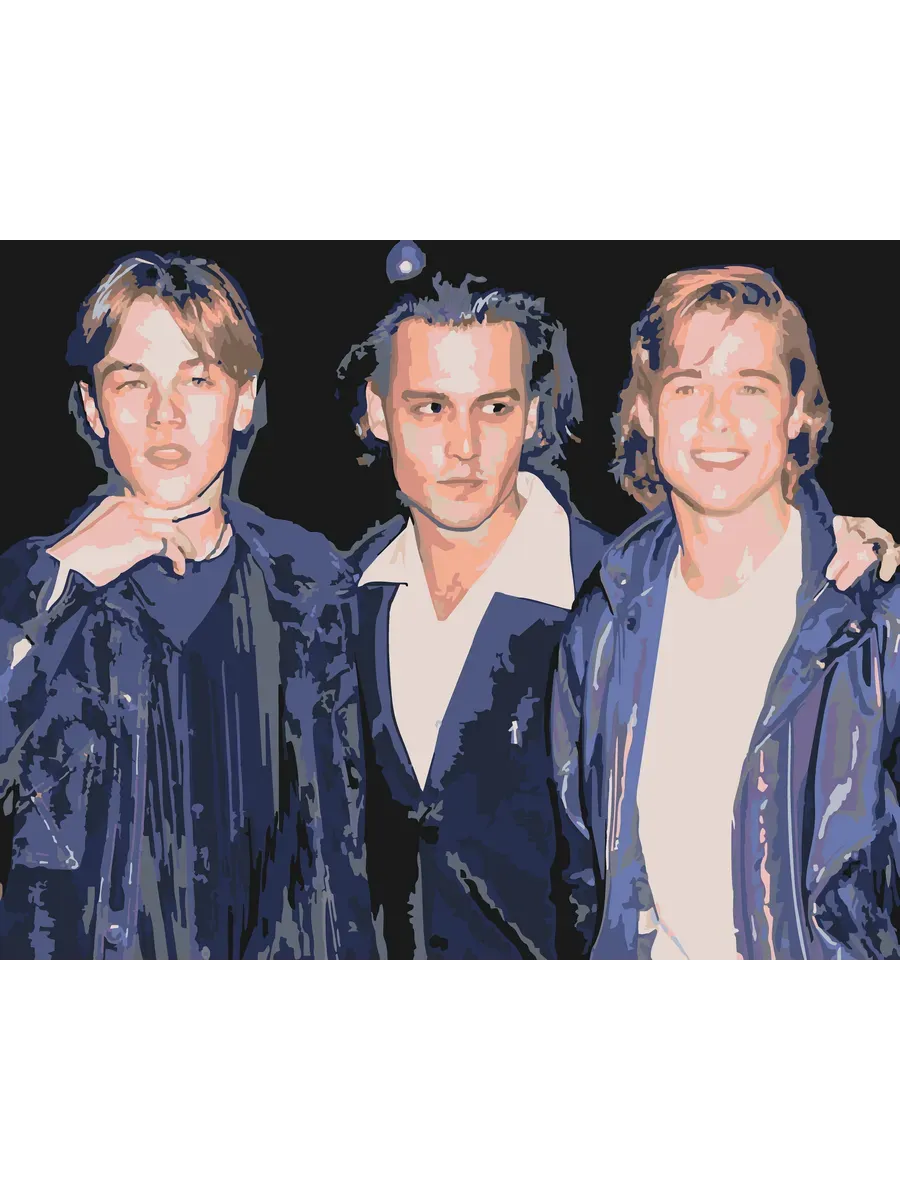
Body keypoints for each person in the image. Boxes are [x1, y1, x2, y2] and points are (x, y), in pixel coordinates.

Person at [340, 263, 894, 959]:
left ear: (532, 415)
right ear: (376, 412)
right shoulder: (334, 600)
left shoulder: (598, 598)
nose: (464, 446)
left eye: (495, 407)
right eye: (430, 407)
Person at [0, 252, 372, 959]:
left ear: (244, 400)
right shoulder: (30, 589)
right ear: (93, 408)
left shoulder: (315, 586)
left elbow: (346, 856)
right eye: (131, 382)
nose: (164, 414)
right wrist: (64, 577)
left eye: (196, 379)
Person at [551, 265, 900, 959]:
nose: (717, 420)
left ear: (797, 412)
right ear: (646, 412)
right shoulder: (603, 620)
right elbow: (584, 878)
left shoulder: (875, 623)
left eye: (750, 387)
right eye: (687, 386)